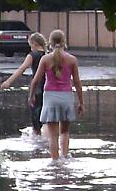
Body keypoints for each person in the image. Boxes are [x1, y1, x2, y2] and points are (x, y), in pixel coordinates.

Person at [28, 29, 83, 160]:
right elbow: (77, 82)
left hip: (50, 97)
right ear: (64, 42)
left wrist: (31, 96)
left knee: (53, 135)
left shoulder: (45, 59)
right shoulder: (72, 60)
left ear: (50, 43)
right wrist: (81, 102)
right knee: (64, 131)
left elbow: (35, 80)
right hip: (66, 97)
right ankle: (64, 157)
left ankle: (55, 162)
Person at [0, 32, 48, 135]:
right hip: (49, 88)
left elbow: (22, 69)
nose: (30, 48)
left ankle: (37, 145)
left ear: (34, 43)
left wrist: (9, 81)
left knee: (36, 119)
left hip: (37, 88)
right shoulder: (48, 55)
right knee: (47, 119)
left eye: (30, 45)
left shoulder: (32, 55)